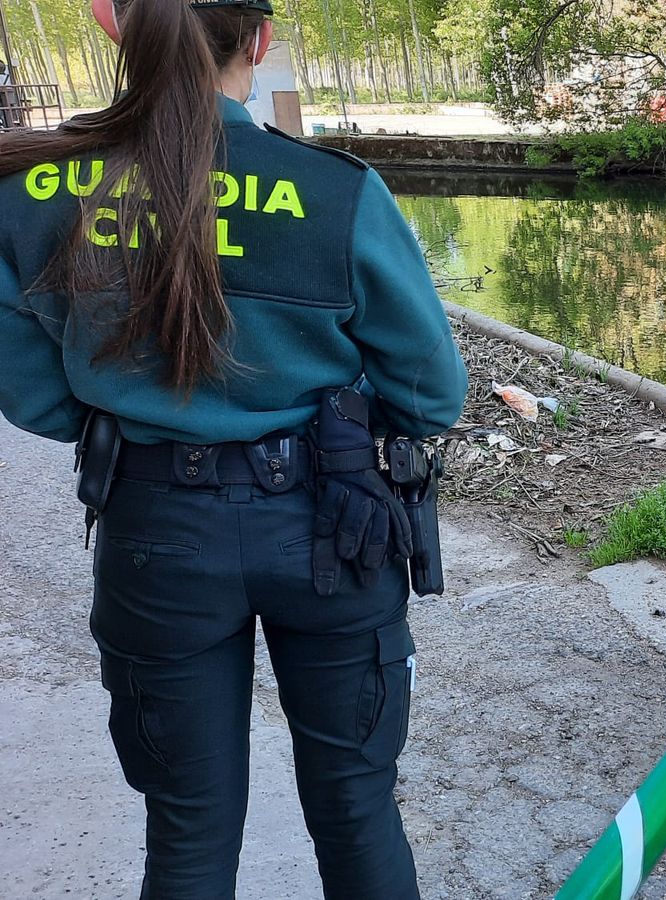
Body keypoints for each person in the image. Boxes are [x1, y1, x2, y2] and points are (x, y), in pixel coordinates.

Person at [0, 1, 468, 897]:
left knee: (187, 833)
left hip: (155, 535)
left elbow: (32, 391)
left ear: (121, 35)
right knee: (359, 813)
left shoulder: (31, 192)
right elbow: (430, 393)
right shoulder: (335, 192)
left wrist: (134, 412)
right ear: (257, 40)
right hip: (336, 530)